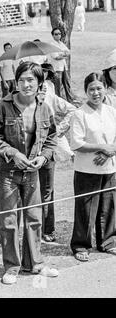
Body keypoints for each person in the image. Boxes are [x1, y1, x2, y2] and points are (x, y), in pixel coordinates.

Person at [0, 61, 59, 285]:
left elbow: (52, 137)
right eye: (21, 79)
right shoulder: (3, 106)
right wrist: (12, 153)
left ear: (40, 82)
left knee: (34, 218)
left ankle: (35, 264)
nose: (25, 84)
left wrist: (44, 157)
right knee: (9, 221)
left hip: (32, 172)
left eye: (31, 79)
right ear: (15, 82)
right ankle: (12, 266)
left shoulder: (44, 107)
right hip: (9, 173)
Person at [69, 72, 116, 262]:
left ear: (105, 89)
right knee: (85, 209)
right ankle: (81, 244)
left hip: (110, 167)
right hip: (86, 169)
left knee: (109, 206)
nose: (96, 93)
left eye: (99, 88)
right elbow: (76, 143)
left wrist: (108, 152)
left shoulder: (111, 111)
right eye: (91, 89)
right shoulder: (80, 114)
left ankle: (108, 241)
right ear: (86, 92)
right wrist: (101, 147)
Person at [38, 63, 77, 242]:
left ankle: (48, 229)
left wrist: (60, 129)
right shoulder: (21, 94)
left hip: (47, 147)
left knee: (47, 190)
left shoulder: (50, 93)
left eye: (46, 73)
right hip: (26, 151)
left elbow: (71, 109)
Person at [49, 28, 74, 103]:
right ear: (53, 35)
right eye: (56, 34)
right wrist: (63, 54)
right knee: (58, 86)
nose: (58, 35)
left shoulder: (61, 43)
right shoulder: (52, 45)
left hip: (63, 67)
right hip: (57, 69)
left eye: (59, 34)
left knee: (67, 84)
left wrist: (62, 54)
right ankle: (58, 103)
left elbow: (68, 53)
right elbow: (56, 57)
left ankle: (70, 100)